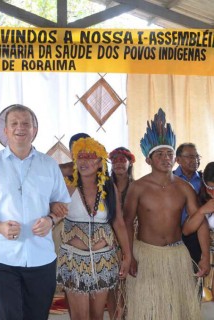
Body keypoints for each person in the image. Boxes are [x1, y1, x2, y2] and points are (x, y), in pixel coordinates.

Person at [0, 104, 71, 320]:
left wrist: (51, 220)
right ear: (5, 131)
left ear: (34, 130)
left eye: (25, 124)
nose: (20, 128)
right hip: (2, 256)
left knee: (37, 316)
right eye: (14, 123)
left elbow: (62, 206)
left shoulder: (49, 165)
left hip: (41, 256)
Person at [124, 108, 207, 320]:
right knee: (148, 311)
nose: (166, 158)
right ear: (148, 160)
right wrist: (127, 255)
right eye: (159, 154)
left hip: (176, 254)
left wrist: (205, 256)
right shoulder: (138, 188)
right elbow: (125, 222)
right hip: (146, 255)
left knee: (177, 310)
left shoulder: (184, 187)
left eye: (169, 154)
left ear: (175, 159)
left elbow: (200, 222)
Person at [55, 137, 131, 320]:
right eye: (80, 157)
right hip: (74, 261)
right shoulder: (67, 185)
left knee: (97, 316)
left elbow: (119, 222)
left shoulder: (108, 187)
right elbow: (52, 208)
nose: (84, 162)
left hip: (103, 261)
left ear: (100, 163)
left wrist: (127, 256)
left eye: (91, 158)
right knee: (80, 317)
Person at [107, 146, 135, 319]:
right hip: (110, 244)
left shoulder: (138, 186)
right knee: (114, 289)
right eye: (115, 159)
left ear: (129, 162)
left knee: (132, 288)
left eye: (122, 159)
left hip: (133, 242)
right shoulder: (105, 186)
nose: (118, 163)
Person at [174, 143, 209, 268]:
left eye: (196, 156)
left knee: (196, 275)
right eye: (190, 157)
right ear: (178, 159)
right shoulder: (169, 179)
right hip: (173, 236)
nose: (195, 160)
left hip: (198, 236)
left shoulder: (205, 181)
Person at [198, 162, 214, 301]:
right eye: (211, 188)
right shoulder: (202, 201)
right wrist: (202, 210)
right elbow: (187, 229)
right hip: (209, 255)